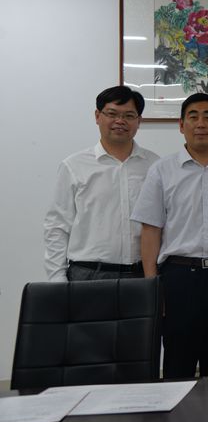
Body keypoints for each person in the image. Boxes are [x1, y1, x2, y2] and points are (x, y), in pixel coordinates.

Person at [132, 93, 208, 378]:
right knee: (178, 363)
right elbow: (150, 231)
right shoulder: (162, 170)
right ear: (181, 125)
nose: (201, 123)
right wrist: (153, 286)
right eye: (193, 117)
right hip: (179, 278)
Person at [43, 86, 159, 281]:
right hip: (88, 274)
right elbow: (57, 226)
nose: (120, 121)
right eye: (112, 114)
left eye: (129, 116)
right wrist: (57, 279)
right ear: (97, 116)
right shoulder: (74, 166)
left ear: (139, 121)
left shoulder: (155, 166)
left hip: (140, 274)